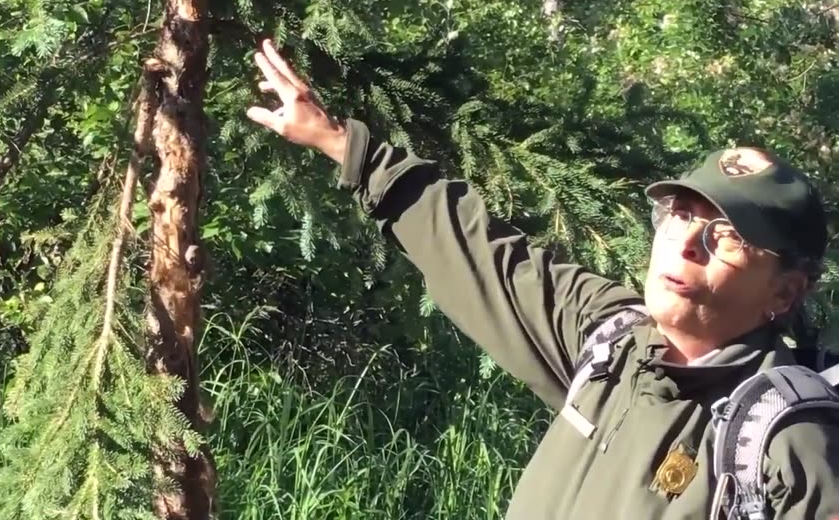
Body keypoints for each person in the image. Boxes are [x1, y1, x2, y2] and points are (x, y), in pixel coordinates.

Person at [245, 38, 839, 519]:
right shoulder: (611, 342)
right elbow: (483, 255)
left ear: (786, 290)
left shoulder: (784, 441)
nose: (685, 244)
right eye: (681, 215)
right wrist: (342, 144)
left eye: (727, 238)